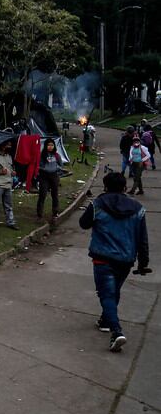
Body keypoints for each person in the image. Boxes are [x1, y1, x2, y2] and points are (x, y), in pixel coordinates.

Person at [79, 172, 150, 352]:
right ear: (124, 187)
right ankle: (105, 320)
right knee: (113, 290)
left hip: (103, 257)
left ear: (105, 186)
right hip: (126, 259)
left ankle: (116, 331)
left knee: (107, 294)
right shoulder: (137, 208)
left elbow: (83, 223)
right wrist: (143, 263)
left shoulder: (98, 204)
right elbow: (142, 239)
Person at [36, 139, 63, 223]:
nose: (50, 147)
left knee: (54, 194)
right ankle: (39, 214)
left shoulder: (56, 155)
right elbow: (38, 166)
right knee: (42, 194)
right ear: (45, 146)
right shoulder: (42, 155)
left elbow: (61, 165)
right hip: (44, 176)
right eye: (48, 145)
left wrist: (56, 168)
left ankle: (55, 213)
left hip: (54, 176)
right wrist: (44, 169)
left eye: (52, 145)